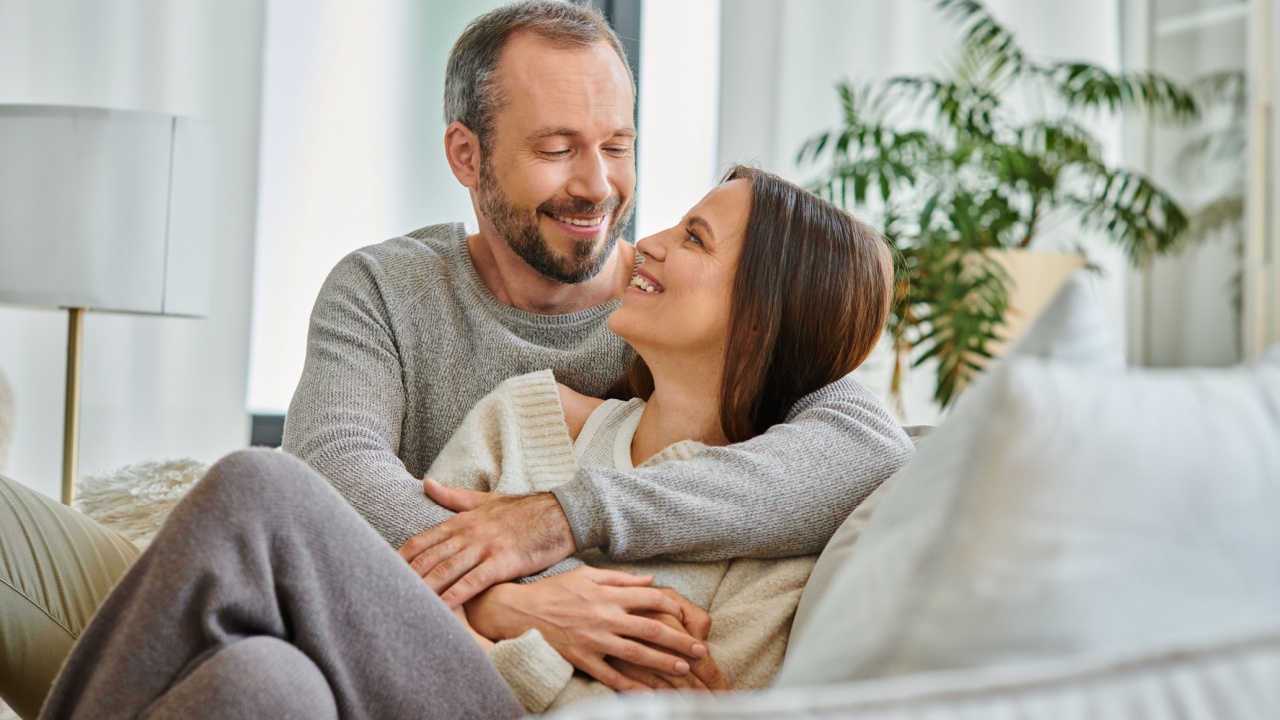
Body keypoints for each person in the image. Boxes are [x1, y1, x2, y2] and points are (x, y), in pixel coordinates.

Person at [0, 2, 912, 716]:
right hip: (369, 640)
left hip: (467, 677)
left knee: (257, 489)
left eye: (619, 147)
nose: (600, 187)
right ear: (467, 157)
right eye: (557, 149)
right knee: (259, 687)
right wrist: (510, 600)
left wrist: (553, 520)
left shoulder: (680, 319)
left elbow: (870, 448)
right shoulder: (393, 296)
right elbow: (337, 467)